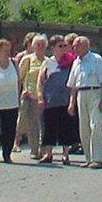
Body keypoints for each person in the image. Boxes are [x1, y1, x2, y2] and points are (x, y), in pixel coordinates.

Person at [66, 35, 102, 168]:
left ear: (86, 46)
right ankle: (88, 158)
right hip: (81, 94)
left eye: (77, 45)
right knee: (84, 128)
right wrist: (72, 102)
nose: (75, 48)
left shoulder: (97, 60)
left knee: (96, 126)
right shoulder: (76, 62)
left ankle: (97, 158)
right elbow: (73, 84)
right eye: (74, 46)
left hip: (96, 92)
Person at [38, 35, 78, 164]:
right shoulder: (48, 63)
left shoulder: (71, 61)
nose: (63, 48)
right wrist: (40, 97)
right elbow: (40, 81)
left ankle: (65, 155)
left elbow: (74, 82)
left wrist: (72, 101)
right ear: (53, 48)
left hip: (65, 100)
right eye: (60, 46)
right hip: (51, 101)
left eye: (64, 46)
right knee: (49, 128)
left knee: (66, 128)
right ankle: (48, 154)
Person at [17, 33, 49, 160]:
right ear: (33, 46)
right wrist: (22, 92)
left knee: (44, 125)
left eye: (42, 45)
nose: (40, 47)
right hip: (30, 96)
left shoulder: (48, 61)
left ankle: (44, 149)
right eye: (38, 44)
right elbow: (20, 77)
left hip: (44, 98)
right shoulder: (28, 60)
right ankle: (34, 150)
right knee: (32, 125)